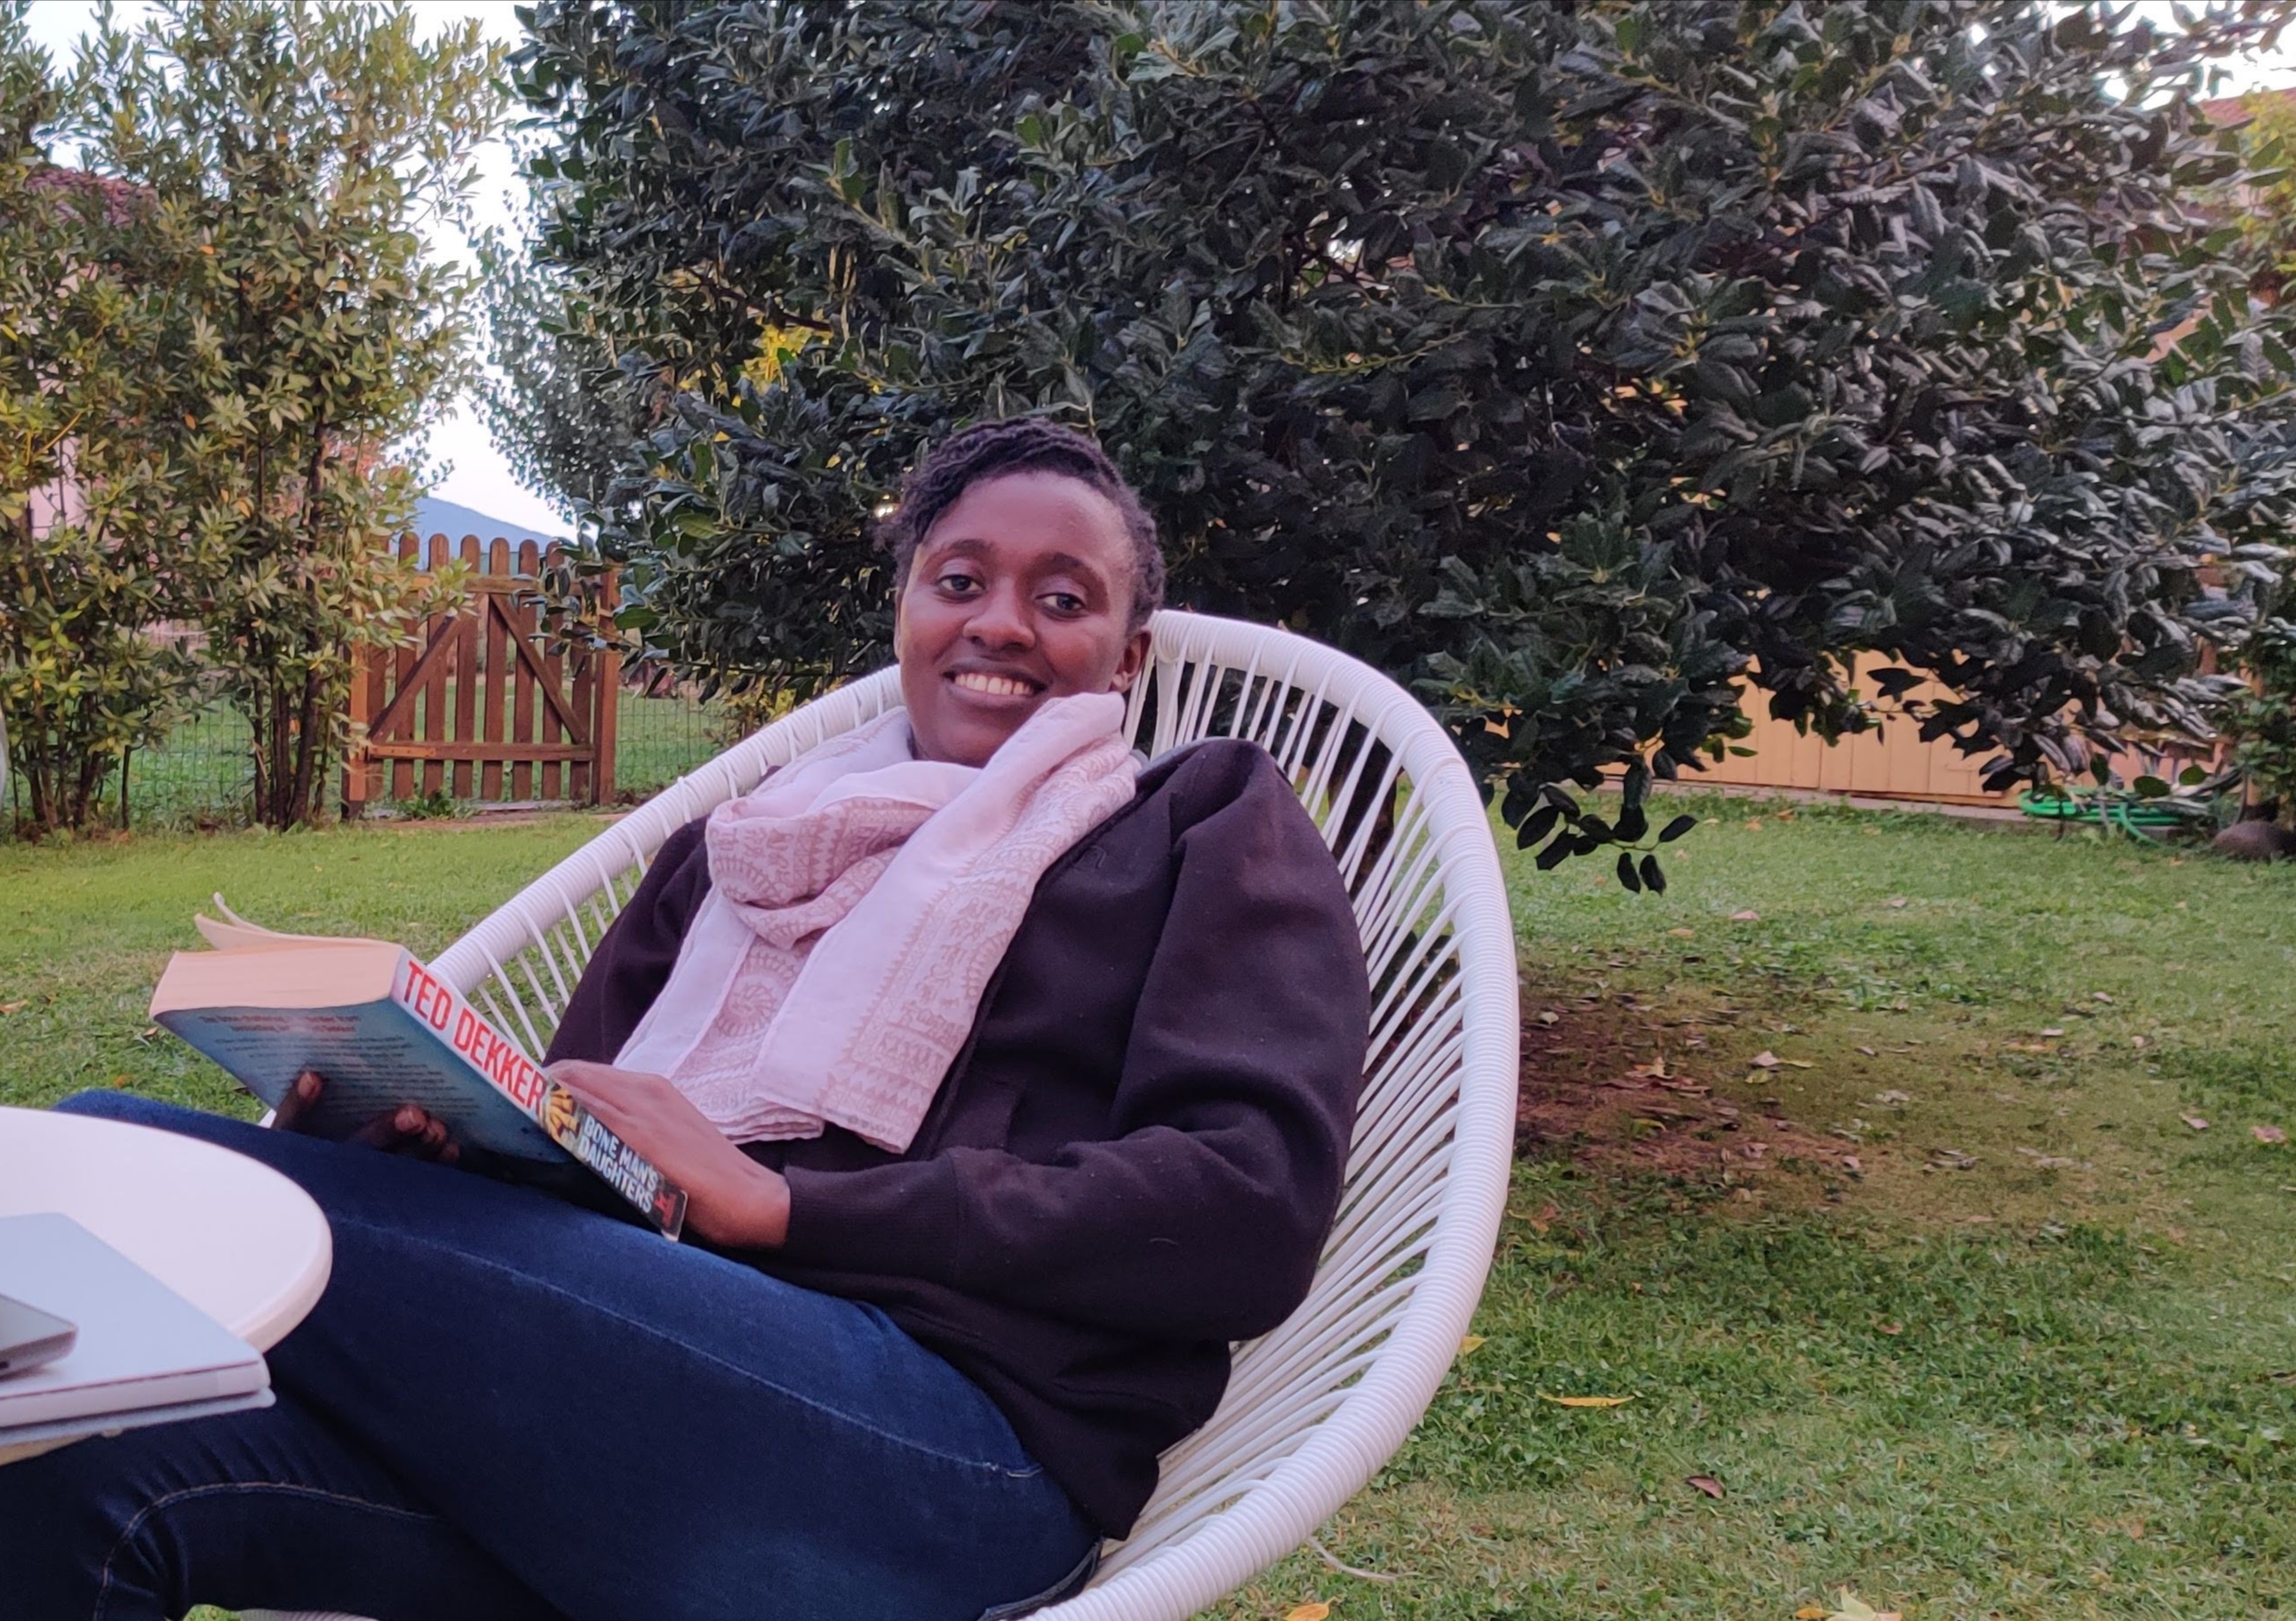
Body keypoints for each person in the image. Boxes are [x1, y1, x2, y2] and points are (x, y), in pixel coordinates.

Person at [0, 418, 1371, 1621]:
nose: (1000, 622)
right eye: (958, 581)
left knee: (109, 1163)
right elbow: (585, 1138)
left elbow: (1244, 1209)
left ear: (1127, 656)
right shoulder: (738, 849)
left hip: (945, 1468)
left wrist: (787, 1210)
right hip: (618, 1425)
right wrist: (418, 1152)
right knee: (73, 1478)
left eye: (1061, 598)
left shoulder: (1194, 823)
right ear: (905, 609)